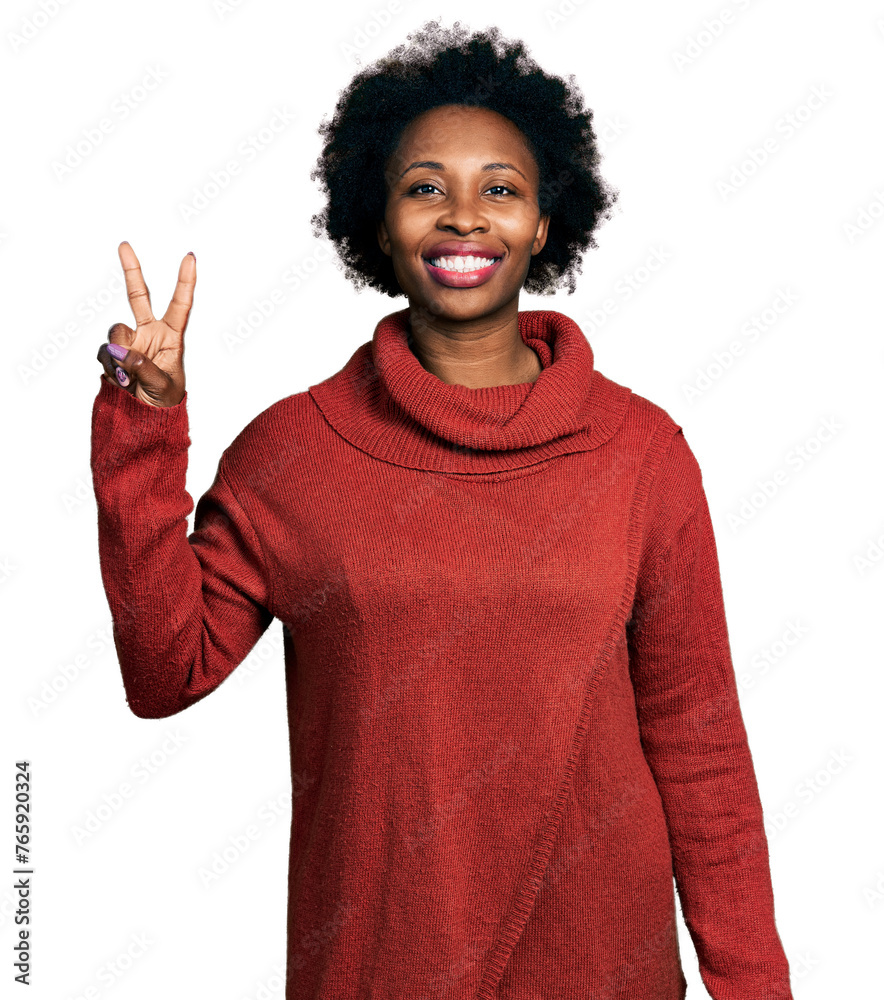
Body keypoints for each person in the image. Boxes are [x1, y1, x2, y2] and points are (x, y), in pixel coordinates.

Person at [91, 20, 794, 1000]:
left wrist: (753, 984)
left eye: (499, 189)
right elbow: (164, 671)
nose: (464, 218)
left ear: (545, 223)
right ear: (377, 223)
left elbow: (697, 739)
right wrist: (144, 423)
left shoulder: (640, 455)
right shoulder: (295, 455)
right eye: (426, 188)